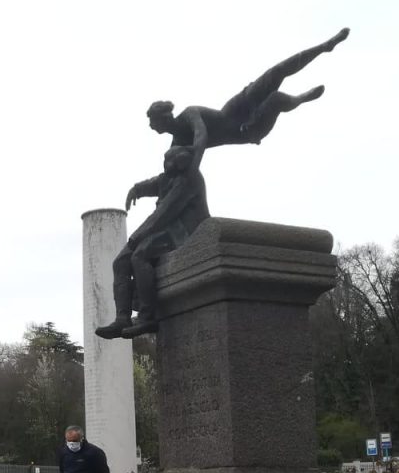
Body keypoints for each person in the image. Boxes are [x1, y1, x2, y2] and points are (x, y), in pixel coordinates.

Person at [143, 27, 349, 171]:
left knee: (276, 72)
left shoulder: (189, 114)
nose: (152, 127)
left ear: (164, 118)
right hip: (246, 131)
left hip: (234, 108)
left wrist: (194, 161)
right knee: (276, 99)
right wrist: (141, 189)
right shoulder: (177, 145)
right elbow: (170, 176)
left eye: (153, 122)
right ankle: (301, 98)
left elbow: (201, 136)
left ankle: (325, 46)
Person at [100, 145, 209, 339]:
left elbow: (164, 213)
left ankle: (147, 317)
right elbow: (155, 183)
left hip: (183, 232)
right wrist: (136, 189)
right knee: (120, 262)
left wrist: (137, 236)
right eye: (165, 161)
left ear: (181, 163)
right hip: (162, 229)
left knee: (140, 255)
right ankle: (122, 318)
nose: (166, 166)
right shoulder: (168, 177)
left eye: (170, 162)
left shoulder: (188, 181)